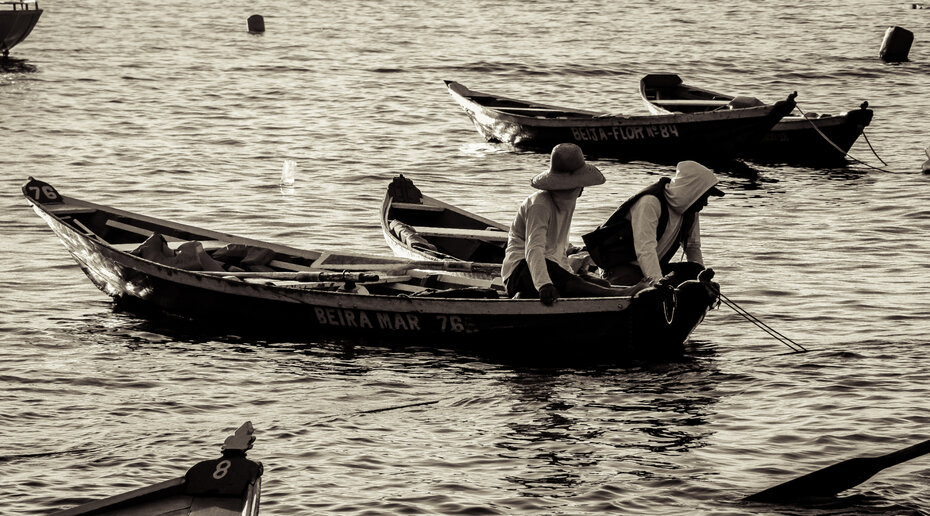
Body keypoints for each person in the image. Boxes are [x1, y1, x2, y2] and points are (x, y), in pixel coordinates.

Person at [501, 143, 649, 305]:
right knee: (573, 285)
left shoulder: (566, 202)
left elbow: (559, 249)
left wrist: (569, 273)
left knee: (600, 284)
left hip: (547, 265)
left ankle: (616, 290)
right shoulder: (539, 205)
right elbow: (534, 249)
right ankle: (623, 293)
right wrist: (544, 285)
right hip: (519, 271)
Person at [583, 160, 724, 286]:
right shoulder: (650, 202)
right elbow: (645, 249)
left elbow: (693, 246)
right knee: (635, 282)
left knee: (694, 270)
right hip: (623, 267)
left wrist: (701, 281)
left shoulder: (690, 210)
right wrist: (658, 284)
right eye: (704, 197)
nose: (706, 203)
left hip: (654, 266)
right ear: (692, 192)